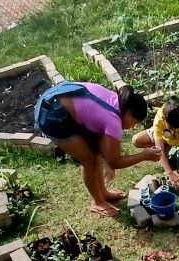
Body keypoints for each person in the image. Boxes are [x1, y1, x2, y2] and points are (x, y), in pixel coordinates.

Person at [34, 82, 160, 216]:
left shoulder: (115, 100)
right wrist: (144, 155)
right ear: (128, 114)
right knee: (89, 159)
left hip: (58, 97)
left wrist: (108, 158)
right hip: (52, 113)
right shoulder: (113, 120)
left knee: (94, 151)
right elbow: (114, 162)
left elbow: (103, 142)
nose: (132, 127)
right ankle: (97, 202)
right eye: (134, 123)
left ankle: (103, 193)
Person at [131, 98, 179, 188]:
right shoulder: (159, 120)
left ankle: (175, 151)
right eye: (172, 127)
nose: (175, 130)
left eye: (177, 128)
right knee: (136, 140)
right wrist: (170, 173)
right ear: (164, 119)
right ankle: (167, 146)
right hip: (165, 136)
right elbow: (158, 149)